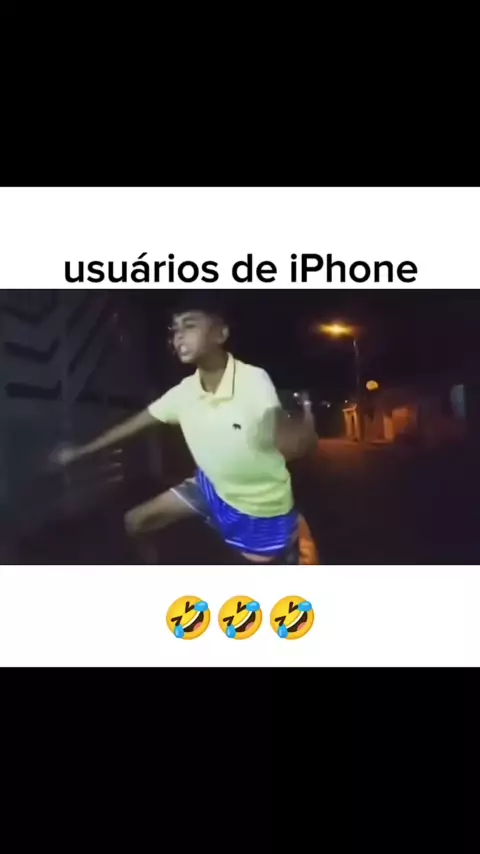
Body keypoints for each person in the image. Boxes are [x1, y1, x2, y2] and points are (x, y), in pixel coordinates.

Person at [52, 299, 319, 564]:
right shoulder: (183, 393)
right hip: (209, 487)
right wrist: (80, 452)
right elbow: (132, 425)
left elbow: (281, 430)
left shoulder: (252, 380)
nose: (178, 335)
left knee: (260, 560)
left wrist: (297, 431)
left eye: (189, 325)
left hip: (258, 506)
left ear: (220, 334)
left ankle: (293, 541)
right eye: (174, 328)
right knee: (135, 521)